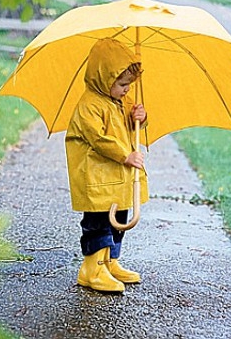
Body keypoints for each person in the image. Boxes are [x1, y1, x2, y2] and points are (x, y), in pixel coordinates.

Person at [65, 38, 149, 293]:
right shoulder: (89, 105)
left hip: (117, 178)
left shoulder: (121, 101)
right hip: (97, 178)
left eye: (129, 84)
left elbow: (129, 129)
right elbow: (99, 139)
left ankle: (110, 261)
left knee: (118, 219)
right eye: (122, 84)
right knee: (99, 221)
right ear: (104, 78)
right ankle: (92, 268)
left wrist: (141, 119)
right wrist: (126, 156)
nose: (126, 90)